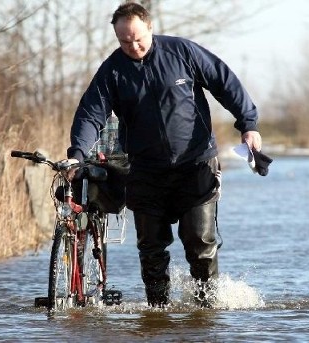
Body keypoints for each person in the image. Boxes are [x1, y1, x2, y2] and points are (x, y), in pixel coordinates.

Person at [65, 2, 263, 308]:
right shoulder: (112, 71)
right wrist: (77, 154)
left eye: (138, 38)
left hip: (195, 164)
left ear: (150, 28)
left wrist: (248, 125)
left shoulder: (183, 52)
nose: (133, 46)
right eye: (124, 41)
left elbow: (225, 83)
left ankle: (205, 310)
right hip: (144, 170)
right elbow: (91, 114)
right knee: (151, 248)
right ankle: (157, 312)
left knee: (200, 244)